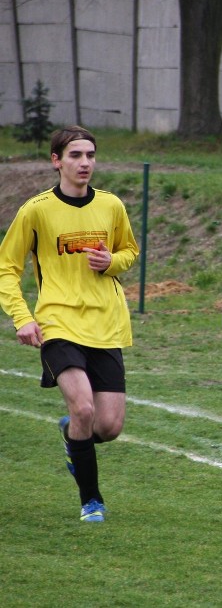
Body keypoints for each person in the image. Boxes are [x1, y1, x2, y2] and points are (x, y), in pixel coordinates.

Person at [0, 126, 139, 522]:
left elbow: (129, 250)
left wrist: (110, 262)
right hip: (57, 322)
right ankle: (91, 501)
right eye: (76, 155)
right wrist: (22, 318)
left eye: (90, 155)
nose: (85, 163)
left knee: (108, 426)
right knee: (82, 408)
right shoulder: (37, 210)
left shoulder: (112, 206)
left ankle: (72, 437)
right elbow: (6, 268)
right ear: (56, 161)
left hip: (106, 323)